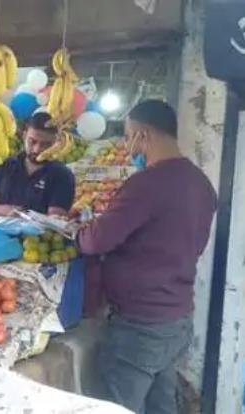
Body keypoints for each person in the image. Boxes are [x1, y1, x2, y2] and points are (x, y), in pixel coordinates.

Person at [76, 100, 217, 413]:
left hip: (140, 325)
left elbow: (98, 239)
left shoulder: (147, 184)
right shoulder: (201, 183)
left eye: (128, 137)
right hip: (176, 317)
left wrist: (78, 233)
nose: (128, 145)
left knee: (120, 406)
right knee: (161, 404)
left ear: (143, 136)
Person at [0, 112, 75, 219]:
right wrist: (8, 211)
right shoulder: (7, 165)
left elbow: (55, 217)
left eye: (46, 144)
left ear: (56, 143)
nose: (37, 149)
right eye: (32, 142)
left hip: (35, 235)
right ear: (24, 136)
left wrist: (30, 219)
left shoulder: (62, 175)